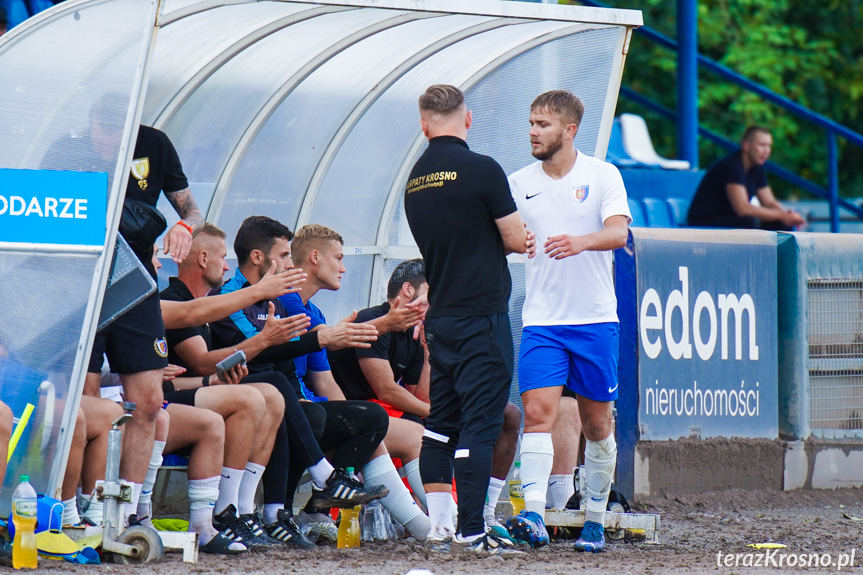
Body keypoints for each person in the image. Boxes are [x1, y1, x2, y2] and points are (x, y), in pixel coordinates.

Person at [43, 94, 205, 528]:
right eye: (104, 133)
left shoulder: (155, 144)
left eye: (120, 135)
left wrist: (185, 228)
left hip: (134, 281)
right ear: (92, 125)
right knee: (87, 402)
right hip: (79, 284)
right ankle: (80, 508)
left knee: (149, 401)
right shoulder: (65, 148)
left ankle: (129, 513)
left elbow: (190, 207)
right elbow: (41, 214)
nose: (110, 143)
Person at [403, 84, 533, 555]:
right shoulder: (483, 169)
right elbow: (516, 238)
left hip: (442, 321)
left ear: (424, 125)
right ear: (468, 119)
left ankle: (440, 529)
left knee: (441, 423)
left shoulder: (415, 179)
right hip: (482, 314)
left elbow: (445, 245)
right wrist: (520, 237)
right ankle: (473, 531)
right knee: (481, 425)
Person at [208, 216, 390, 536]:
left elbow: (288, 360)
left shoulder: (274, 300)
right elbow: (257, 352)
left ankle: (296, 507)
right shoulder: (231, 296)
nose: (291, 264)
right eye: (284, 256)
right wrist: (322, 338)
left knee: (369, 414)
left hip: (271, 395)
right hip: (235, 392)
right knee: (287, 396)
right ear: (258, 258)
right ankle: (290, 502)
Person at [505, 90, 630, 553]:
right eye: (531, 122)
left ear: (569, 130)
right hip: (542, 321)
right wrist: (515, 242)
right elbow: (501, 240)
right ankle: (534, 514)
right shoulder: (517, 182)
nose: (533, 131)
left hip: (595, 321)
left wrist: (581, 242)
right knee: (537, 413)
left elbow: (619, 232)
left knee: (598, 424)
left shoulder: (602, 174)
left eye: (543, 124)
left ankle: (595, 517)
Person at [328, 259, 522, 539]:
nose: (439, 299)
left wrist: (429, 353)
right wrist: (437, 413)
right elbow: (386, 390)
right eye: (432, 291)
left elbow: (420, 394)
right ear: (408, 290)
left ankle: (480, 513)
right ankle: (446, 522)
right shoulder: (373, 319)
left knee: (505, 414)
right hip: (361, 411)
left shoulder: (416, 330)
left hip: (391, 411)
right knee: (427, 431)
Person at [280, 226, 431, 542]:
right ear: (315, 257)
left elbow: (324, 379)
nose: (344, 268)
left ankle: (434, 525)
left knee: (370, 421)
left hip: (312, 407)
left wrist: (351, 417)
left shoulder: (313, 308)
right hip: (288, 405)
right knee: (382, 422)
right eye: (338, 258)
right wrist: (385, 323)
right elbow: (333, 341)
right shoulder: (287, 301)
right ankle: (432, 527)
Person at [687, 126, 806, 230]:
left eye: (769, 146)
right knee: (750, 222)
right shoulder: (731, 166)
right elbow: (743, 208)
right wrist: (780, 215)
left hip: (730, 219)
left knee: (781, 224)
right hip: (705, 220)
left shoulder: (756, 168)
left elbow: (769, 202)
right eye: (762, 145)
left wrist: (786, 215)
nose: (766, 151)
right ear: (746, 146)